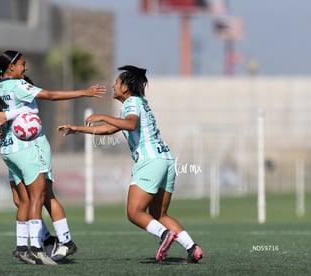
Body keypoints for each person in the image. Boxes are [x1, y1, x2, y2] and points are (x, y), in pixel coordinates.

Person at [57, 65, 204, 263]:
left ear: (126, 87)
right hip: (166, 160)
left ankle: (164, 235)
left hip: (150, 161)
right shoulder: (140, 102)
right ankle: (192, 248)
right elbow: (110, 129)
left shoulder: (132, 103)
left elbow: (130, 124)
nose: (113, 85)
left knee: (134, 212)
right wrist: (77, 129)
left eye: (117, 83)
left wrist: (101, 116)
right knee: (159, 214)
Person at [0, 50, 105, 265]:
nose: (26, 67)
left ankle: (36, 244)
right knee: (40, 197)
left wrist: (6, 120)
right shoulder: (15, 86)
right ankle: (43, 246)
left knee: (30, 199)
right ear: (9, 67)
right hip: (30, 147)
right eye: (22, 64)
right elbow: (51, 96)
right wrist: (84, 92)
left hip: (9, 149)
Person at [0, 58, 59, 262]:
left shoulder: (14, 88)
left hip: (28, 147)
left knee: (33, 198)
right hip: (9, 149)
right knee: (22, 200)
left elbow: (31, 110)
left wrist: (8, 115)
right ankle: (38, 244)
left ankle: (41, 245)